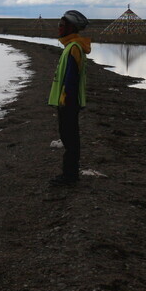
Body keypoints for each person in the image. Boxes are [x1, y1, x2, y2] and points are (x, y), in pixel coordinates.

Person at [48, 10, 91, 185]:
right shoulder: (72, 46)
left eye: (61, 25)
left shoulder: (73, 47)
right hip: (68, 101)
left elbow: (71, 78)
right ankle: (69, 174)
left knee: (70, 139)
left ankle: (70, 176)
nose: (58, 28)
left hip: (69, 102)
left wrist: (65, 100)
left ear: (71, 27)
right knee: (69, 138)